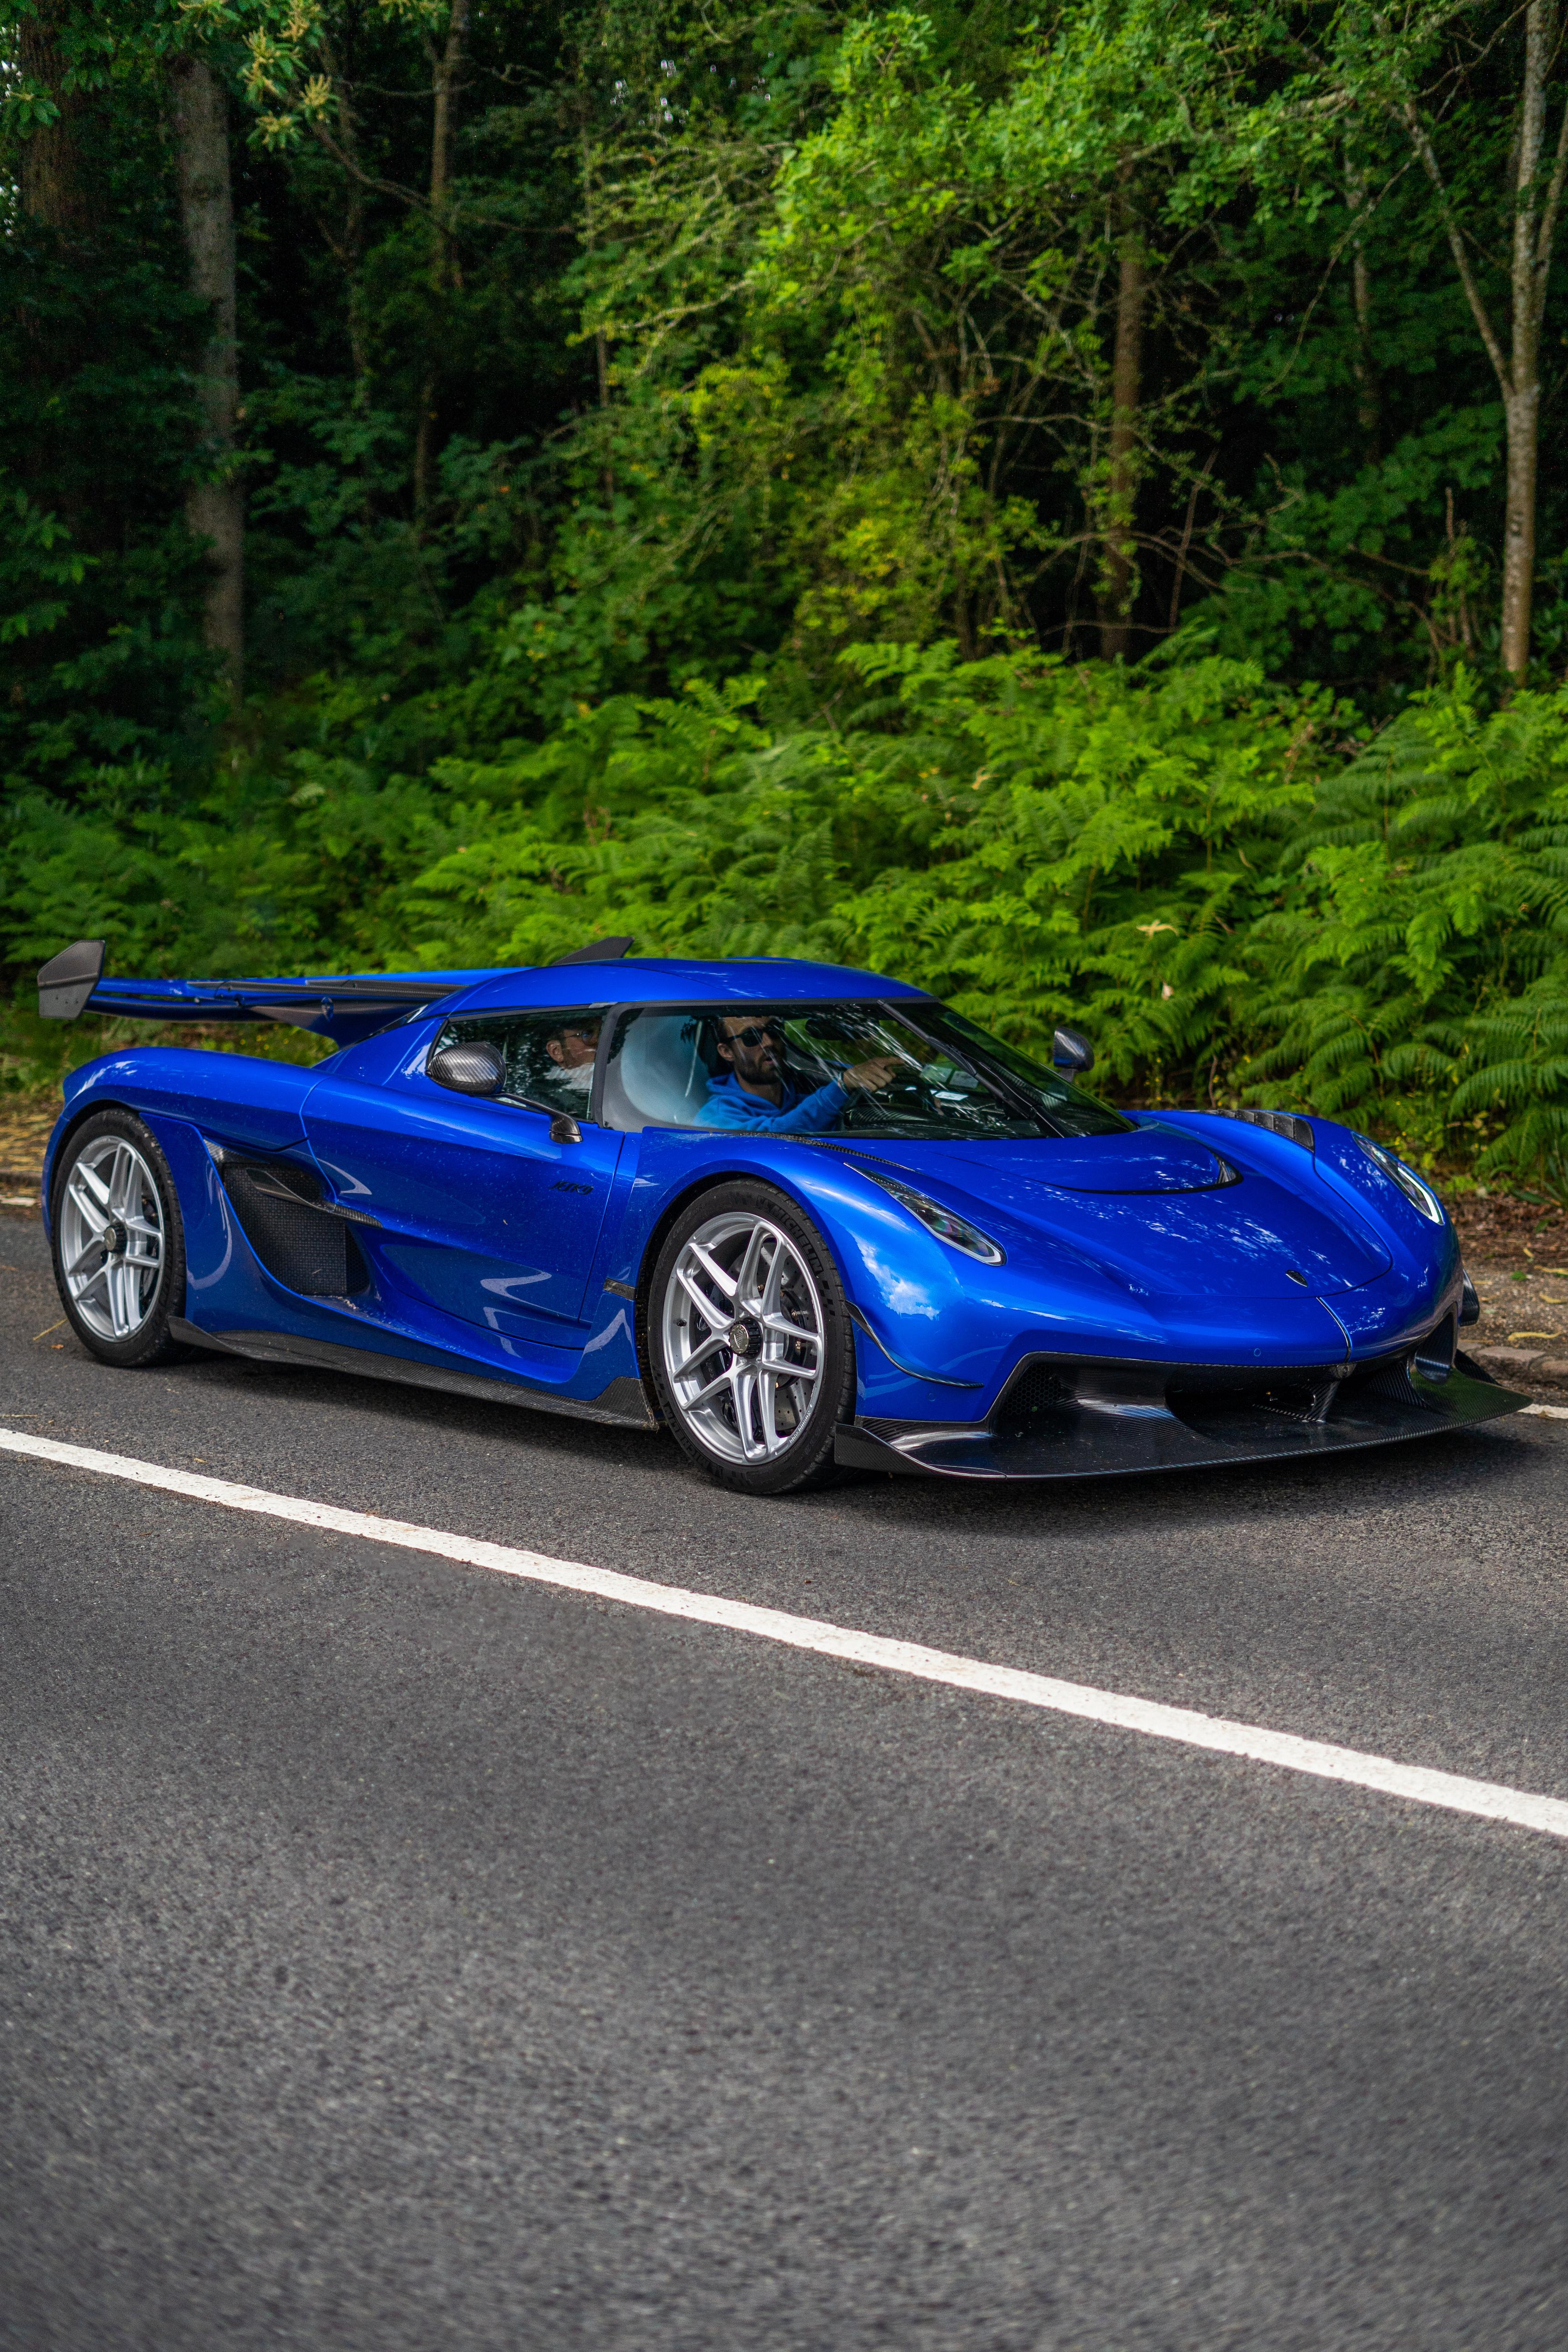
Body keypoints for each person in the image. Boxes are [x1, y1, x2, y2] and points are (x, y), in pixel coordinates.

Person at [697, 1013, 900, 1133]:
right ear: (726, 1052)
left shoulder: (801, 1101)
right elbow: (775, 1136)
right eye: (751, 1037)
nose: (768, 1042)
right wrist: (842, 1085)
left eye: (774, 1030)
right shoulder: (715, 1118)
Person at [544, 1016, 600, 1100]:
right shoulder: (546, 1100)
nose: (600, 1042)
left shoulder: (619, 1078)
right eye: (588, 1034)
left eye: (602, 1032)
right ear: (556, 1051)